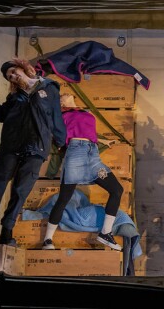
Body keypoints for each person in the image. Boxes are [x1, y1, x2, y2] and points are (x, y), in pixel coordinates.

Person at [0, 58, 66, 245]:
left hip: (36, 147)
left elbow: (56, 116)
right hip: (11, 145)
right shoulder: (15, 97)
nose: (12, 76)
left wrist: (61, 141)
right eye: (9, 76)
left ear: (22, 68)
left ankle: (6, 231)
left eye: (13, 71)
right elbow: (0, 116)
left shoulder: (49, 87)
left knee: (20, 190)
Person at [41, 94, 125, 251]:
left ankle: (106, 233)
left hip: (92, 154)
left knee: (117, 189)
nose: (62, 95)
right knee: (64, 198)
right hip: (75, 152)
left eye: (63, 95)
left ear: (72, 97)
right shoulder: (61, 115)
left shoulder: (86, 112)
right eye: (59, 98)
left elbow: (87, 131)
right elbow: (58, 135)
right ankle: (47, 240)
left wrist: (103, 141)